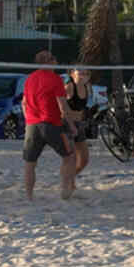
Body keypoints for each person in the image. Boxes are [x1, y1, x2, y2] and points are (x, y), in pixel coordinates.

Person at [21, 50, 77, 200]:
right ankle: (65, 191)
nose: (56, 59)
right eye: (53, 58)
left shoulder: (30, 79)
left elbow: (24, 103)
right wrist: (71, 125)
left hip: (32, 125)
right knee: (69, 156)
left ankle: (29, 196)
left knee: (30, 163)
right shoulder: (55, 79)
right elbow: (63, 106)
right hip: (50, 124)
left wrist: (28, 119)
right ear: (48, 62)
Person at [63, 67, 92, 178]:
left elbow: (83, 107)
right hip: (66, 123)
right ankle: (69, 183)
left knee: (84, 159)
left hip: (79, 124)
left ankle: (69, 178)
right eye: (80, 72)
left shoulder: (86, 87)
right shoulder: (69, 87)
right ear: (72, 74)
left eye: (86, 73)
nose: (83, 75)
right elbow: (59, 103)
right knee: (71, 158)